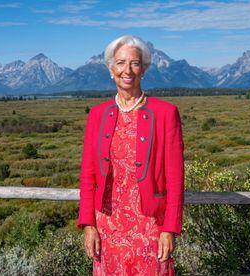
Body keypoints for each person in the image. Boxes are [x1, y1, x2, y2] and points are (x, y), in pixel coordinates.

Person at [77, 35, 184, 275]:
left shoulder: (166, 113)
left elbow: (176, 179)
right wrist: (88, 225)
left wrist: (169, 229)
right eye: (120, 63)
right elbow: (88, 175)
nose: (127, 70)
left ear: (143, 69)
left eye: (134, 63)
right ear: (110, 68)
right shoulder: (97, 115)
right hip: (106, 226)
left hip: (150, 226)